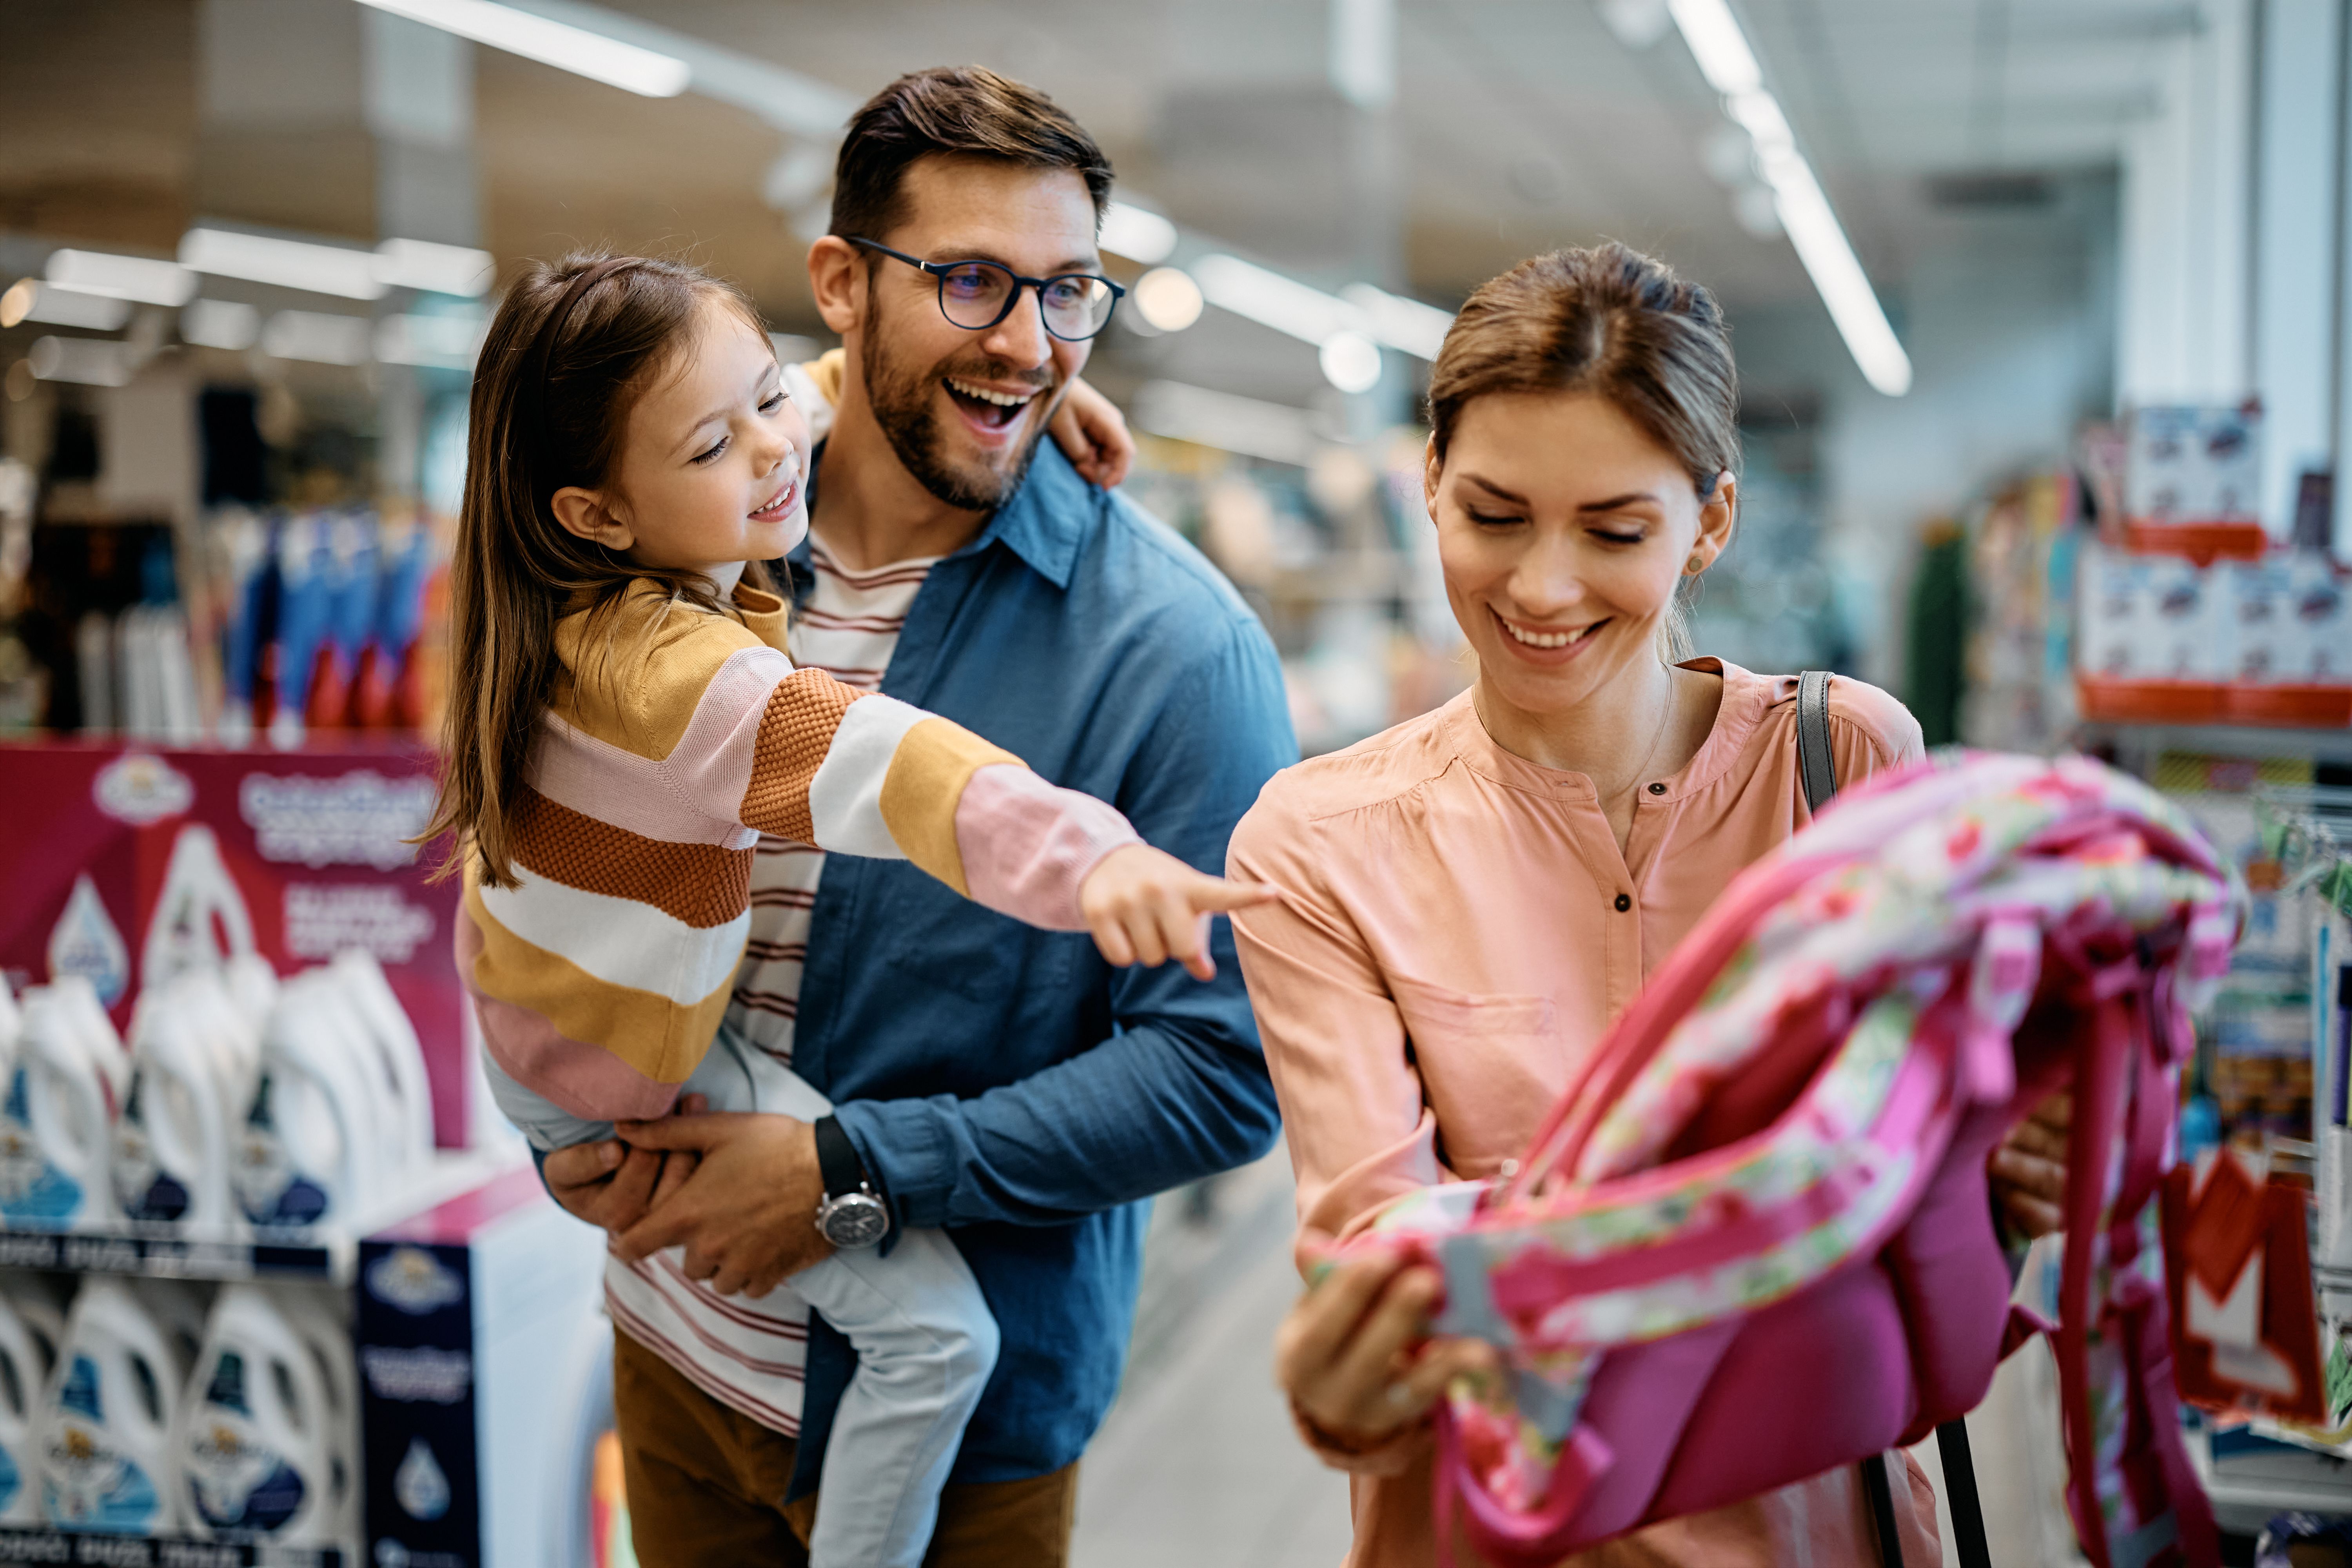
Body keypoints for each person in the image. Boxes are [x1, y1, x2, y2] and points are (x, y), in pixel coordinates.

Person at [538, 66, 1297, 1568]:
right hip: (670, 1351)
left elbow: (1225, 1074)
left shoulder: (1174, 650)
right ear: (841, 282)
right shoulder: (691, 551)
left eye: (1068, 293)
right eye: (969, 280)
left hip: (960, 1434)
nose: (1027, 343)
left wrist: (851, 1176)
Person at [1231, 243, 2065, 1567]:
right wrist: (1789, 1211)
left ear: (1710, 522)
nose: (1544, 588)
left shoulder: (1842, 768)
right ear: (1430, 485)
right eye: (1493, 516)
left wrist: (2000, 1177)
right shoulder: (1320, 844)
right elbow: (1380, 1295)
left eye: (1617, 532)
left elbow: (1930, 1262)